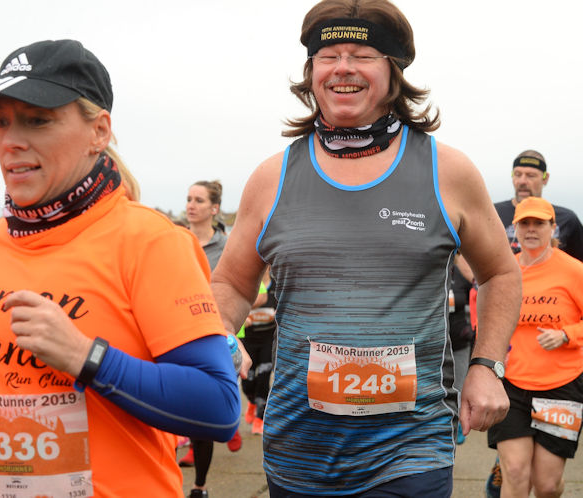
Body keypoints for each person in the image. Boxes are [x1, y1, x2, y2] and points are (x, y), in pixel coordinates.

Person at [210, 1, 522, 495]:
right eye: (328, 55)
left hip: (411, 449)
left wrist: (487, 366)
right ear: (311, 72)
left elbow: (501, 273)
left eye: (362, 54)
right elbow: (230, 281)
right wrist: (220, 335)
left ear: (394, 72)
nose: (343, 68)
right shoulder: (272, 178)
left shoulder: (448, 172)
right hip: (298, 449)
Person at [0, 39, 240, 497]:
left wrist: (87, 358)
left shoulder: (152, 242)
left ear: (99, 131)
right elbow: (11, 372)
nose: (11, 141)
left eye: (37, 120)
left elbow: (219, 407)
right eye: (1, 122)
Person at [486, 149, 583, 496]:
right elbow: (470, 267)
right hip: (513, 382)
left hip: (560, 385)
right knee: (517, 471)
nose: (531, 230)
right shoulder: (502, 256)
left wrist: (567, 331)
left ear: (553, 227)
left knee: (546, 485)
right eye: (525, 224)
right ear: (514, 228)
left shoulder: (572, 261)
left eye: (539, 224)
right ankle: (505, 465)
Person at [179, 179, 244, 498]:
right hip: (176, 333)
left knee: (203, 409)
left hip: (213, 334)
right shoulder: (174, 241)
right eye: (189, 199)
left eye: (199, 200)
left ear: (214, 208)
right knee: (184, 409)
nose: (191, 205)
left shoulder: (226, 247)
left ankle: (199, 487)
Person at [494, 150, 583, 273]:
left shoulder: (567, 218)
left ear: (545, 178)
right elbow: (467, 257)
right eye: (517, 174)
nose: (522, 181)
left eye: (530, 176)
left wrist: (567, 286)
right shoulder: (493, 213)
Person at [239, 269, 277, 436]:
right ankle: (252, 402)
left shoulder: (276, 286)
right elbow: (236, 305)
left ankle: (259, 419)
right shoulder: (249, 285)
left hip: (268, 339)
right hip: (249, 339)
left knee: (263, 379)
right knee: (248, 381)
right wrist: (241, 317)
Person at [448, 255, 475, 445]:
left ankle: (456, 428)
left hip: (458, 343)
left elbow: (477, 294)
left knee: (458, 390)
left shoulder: (460, 275)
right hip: (431, 347)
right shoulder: (430, 271)